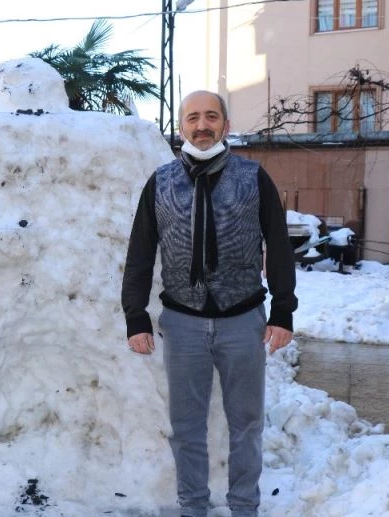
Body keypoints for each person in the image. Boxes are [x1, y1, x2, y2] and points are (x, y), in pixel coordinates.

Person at [121, 90, 297, 517]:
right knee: (186, 427)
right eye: (193, 117)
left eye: (211, 117)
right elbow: (141, 251)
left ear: (225, 124)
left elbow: (277, 243)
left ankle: (243, 507)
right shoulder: (160, 182)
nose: (202, 125)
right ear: (181, 126)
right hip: (182, 323)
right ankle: (193, 508)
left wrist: (283, 310)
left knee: (247, 423)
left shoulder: (253, 178)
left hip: (243, 320)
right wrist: (136, 316)